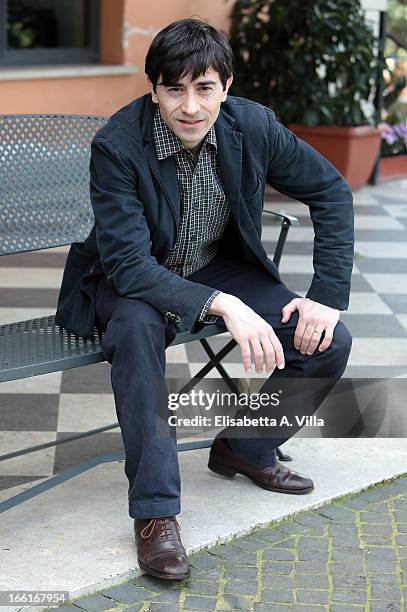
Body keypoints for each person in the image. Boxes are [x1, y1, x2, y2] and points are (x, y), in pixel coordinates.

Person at [55, 18, 354, 581]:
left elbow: (332, 192)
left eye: (204, 88)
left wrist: (326, 295)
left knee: (328, 340)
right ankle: (156, 513)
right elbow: (127, 264)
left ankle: (246, 447)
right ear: (154, 89)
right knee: (136, 333)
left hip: (216, 265)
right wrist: (224, 304)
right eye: (174, 89)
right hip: (130, 280)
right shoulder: (118, 146)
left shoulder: (254, 126)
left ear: (227, 85)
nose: (189, 106)